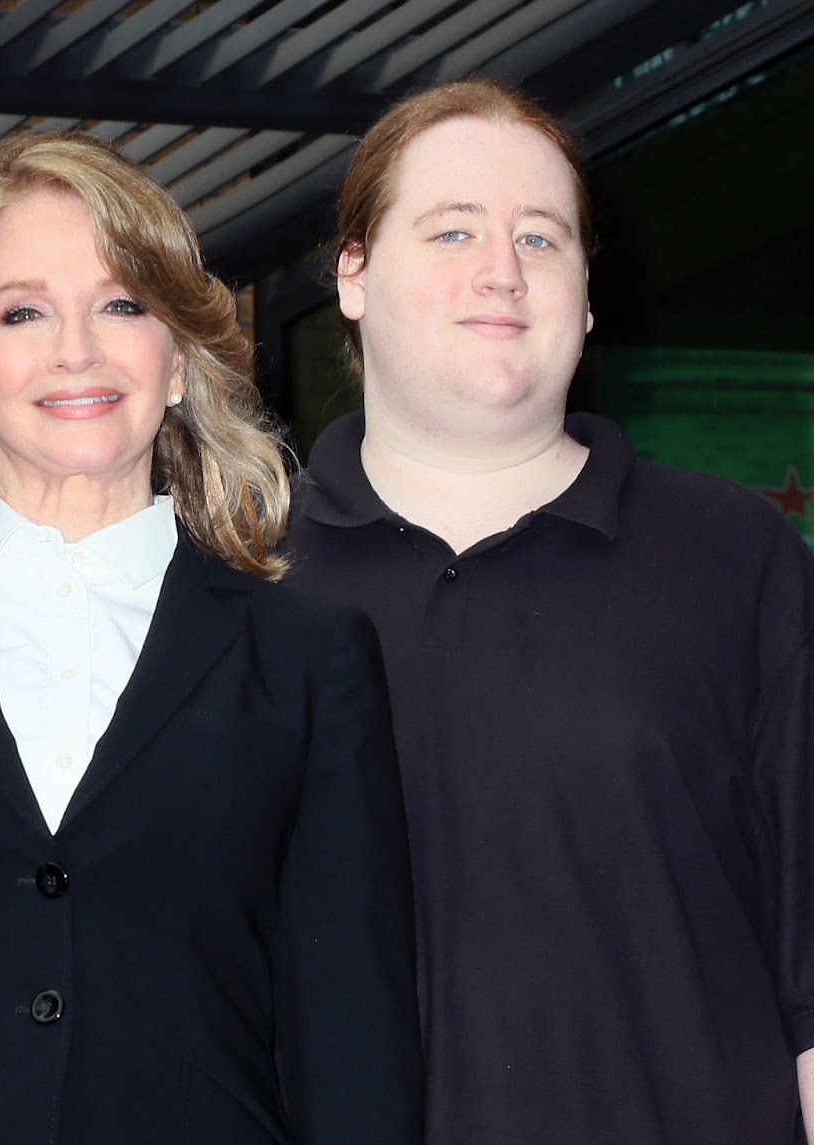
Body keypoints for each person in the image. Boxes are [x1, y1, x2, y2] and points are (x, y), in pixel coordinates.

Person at [0, 132, 422, 1144]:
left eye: (120, 304)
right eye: (22, 312)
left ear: (178, 357)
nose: (75, 350)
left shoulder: (310, 662)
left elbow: (352, 1043)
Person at [281, 78, 814, 1143]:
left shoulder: (735, 560)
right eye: (451, 230)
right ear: (353, 272)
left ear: (582, 295)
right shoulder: (233, 581)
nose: (500, 271)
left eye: (540, 236)